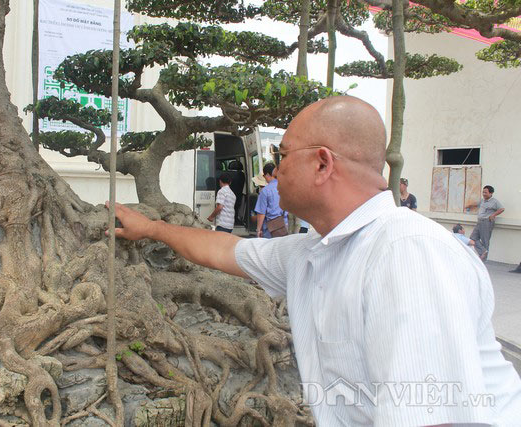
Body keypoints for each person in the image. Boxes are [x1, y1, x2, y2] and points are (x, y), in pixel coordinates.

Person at [108, 96, 521, 425]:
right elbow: (222, 250)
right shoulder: (311, 251)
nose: (275, 168)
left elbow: (433, 417)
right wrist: (151, 229)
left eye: (282, 154)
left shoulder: (405, 253)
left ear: (323, 163)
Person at [466, 185, 505, 260]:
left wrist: (493, 215)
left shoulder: (494, 201)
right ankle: (483, 251)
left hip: (487, 222)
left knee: (485, 240)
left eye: (485, 192)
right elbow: (476, 205)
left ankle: (484, 258)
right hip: (480, 221)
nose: (484, 194)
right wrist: (469, 206)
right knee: (473, 238)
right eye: (483, 192)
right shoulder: (482, 200)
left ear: (491, 193)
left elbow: (502, 209)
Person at [255, 163, 287, 238]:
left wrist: (258, 230)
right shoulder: (284, 188)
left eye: (264, 176)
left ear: (267, 174)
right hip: (284, 225)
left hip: (270, 228)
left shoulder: (265, 191)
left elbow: (261, 213)